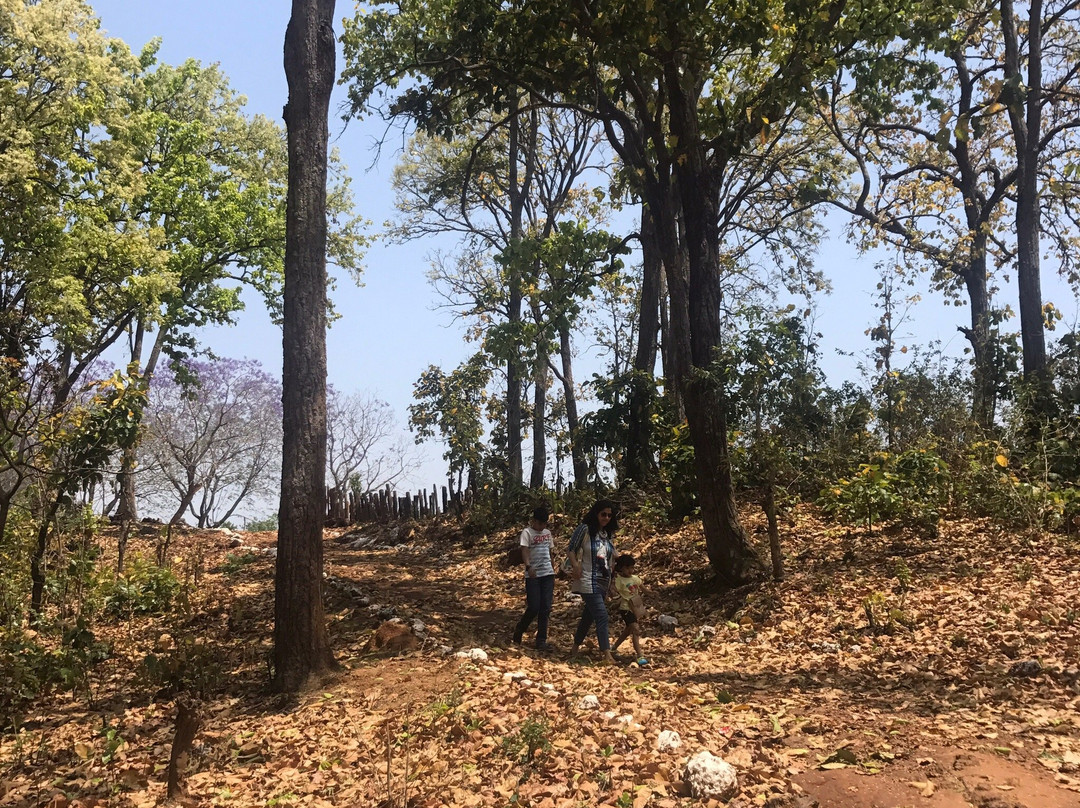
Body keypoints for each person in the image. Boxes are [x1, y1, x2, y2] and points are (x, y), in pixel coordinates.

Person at [568, 499, 619, 664]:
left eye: (609, 515)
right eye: (603, 514)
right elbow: (571, 549)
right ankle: (607, 654)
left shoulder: (606, 535)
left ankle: (574, 648)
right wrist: (575, 565)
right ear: (596, 513)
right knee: (602, 616)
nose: (606, 518)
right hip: (587, 579)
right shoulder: (585, 530)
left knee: (588, 616)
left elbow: (611, 557)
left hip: (603, 580)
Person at [512, 506, 555, 651]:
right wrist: (528, 566)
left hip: (547, 573)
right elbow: (524, 550)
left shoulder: (547, 533)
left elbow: (550, 551)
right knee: (534, 606)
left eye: (545, 524)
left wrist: (553, 567)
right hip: (533, 575)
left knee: (546, 608)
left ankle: (541, 640)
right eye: (540, 523)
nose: (542, 527)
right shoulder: (527, 533)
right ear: (534, 521)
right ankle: (520, 629)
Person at [611, 554, 648, 667]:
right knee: (635, 629)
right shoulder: (619, 580)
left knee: (628, 630)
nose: (630, 570)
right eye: (627, 568)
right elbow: (614, 591)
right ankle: (640, 655)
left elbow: (644, 589)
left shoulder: (635, 579)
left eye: (632, 568)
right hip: (625, 608)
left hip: (635, 608)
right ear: (621, 568)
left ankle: (613, 648)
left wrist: (651, 593)